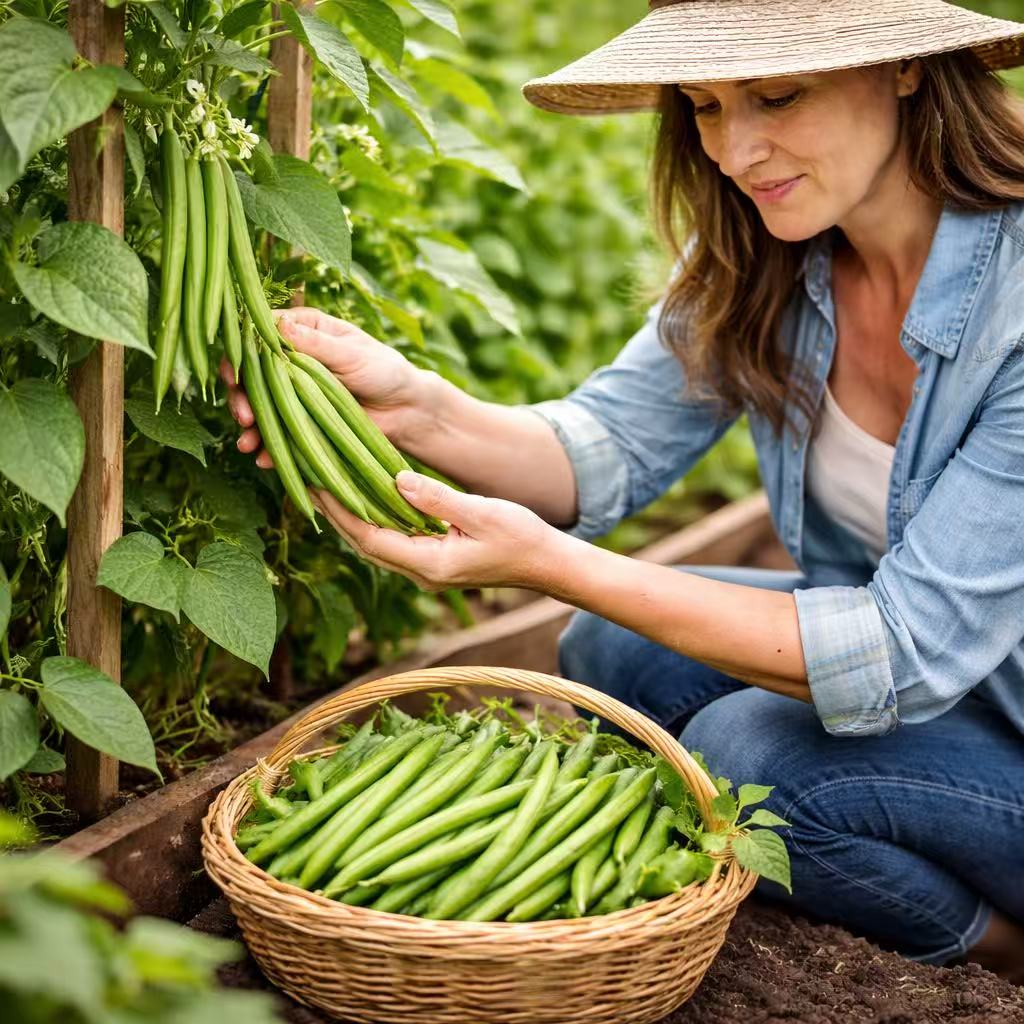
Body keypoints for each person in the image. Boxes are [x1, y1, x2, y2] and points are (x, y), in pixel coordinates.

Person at [225, 0, 1024, 981]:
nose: (734, 149)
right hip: (952, 690)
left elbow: (900, 652)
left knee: (747, 762)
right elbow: (604, 445)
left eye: (775, 95)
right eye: (702, 104)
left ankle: (997, 950)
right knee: (613, 648)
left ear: (904, 68)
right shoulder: (774, 241)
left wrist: (553, 564)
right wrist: (417, 407)